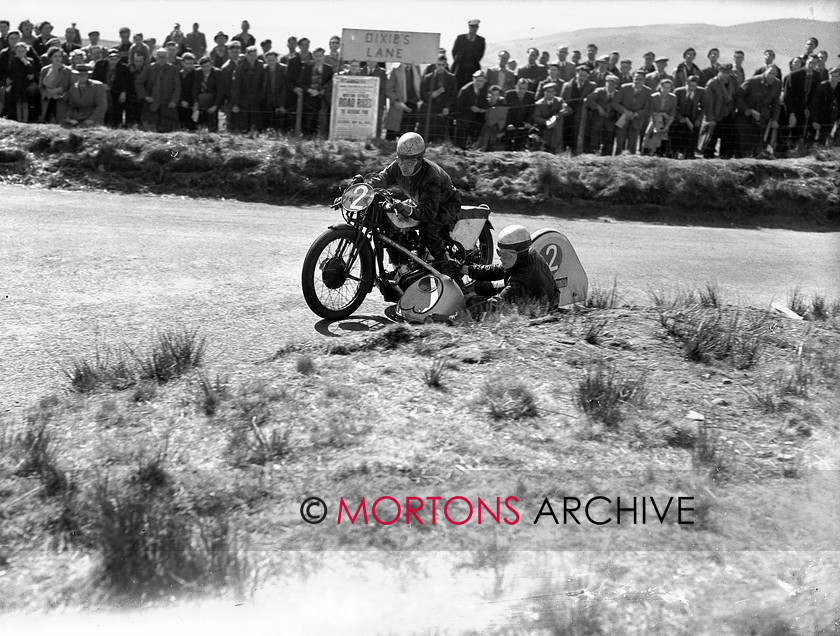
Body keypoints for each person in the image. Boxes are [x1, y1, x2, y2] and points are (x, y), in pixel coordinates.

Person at [367, 132, 463, 278]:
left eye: (410, 162)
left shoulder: (431, 176)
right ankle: (398, 262)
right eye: (401, 160)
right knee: (388, 217)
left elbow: (429, 212)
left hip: (445, 204)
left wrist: (408, 209)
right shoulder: (397, 166)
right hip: (420, 200)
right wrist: (365, 185)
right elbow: (383, 178)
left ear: (420, 159)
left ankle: (447, 268)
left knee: (428, 230)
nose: (404, 166)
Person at [462, 225, 559, 313]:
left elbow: (496, 303)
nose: (501, 258)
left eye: (506, 255)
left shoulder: (524, 279)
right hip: (535, 293)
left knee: (473, 302)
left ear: (520, 253)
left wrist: (458, 316)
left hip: (544, 308)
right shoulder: (526, 256)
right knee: (481, 287)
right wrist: (465, 269)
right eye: (500, 252)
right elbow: (498, 269)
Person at [735, 67, 781, 157]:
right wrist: (745, 109)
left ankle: (754, 160)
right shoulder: (752, 81)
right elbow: (738, 96)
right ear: (765, 72)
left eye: (774, 74)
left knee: (758, 140)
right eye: (770, 73)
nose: (772, 76)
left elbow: (776, 102)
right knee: (744, 139)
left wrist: (775, 119)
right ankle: (741, 159)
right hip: (746, 115)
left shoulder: (776, 83)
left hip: (762, 117)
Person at [136, 47, 181, 132]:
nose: (161, 59)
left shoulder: (174, 69)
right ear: (156, 57)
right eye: (159, 57)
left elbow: (177, 87)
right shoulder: (149, 68)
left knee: (167, 129)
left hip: (167, 103)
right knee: (149, 128)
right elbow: (139, 82)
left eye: (163, 57)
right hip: (152, 103)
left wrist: (174, 100)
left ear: (167, 57)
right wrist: (145, 96)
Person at [420, 55, 456, 143]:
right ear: (435, 65)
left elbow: (453, 95)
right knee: (426, 139)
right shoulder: (427, 78)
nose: (440, 67)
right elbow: (422, 95)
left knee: (440, 140)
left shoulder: (451, 78)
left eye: (442, 65)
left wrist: (447, 107)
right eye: (439, 64)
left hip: (443, 112)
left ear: (446, 65)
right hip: (429, 112)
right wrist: (431, 95)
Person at [614, 70, 652, 154]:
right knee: (620, 142)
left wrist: (636, 114)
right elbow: (615, 103)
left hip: (637, 119)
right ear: (633, 79)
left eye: (640, 79)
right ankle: (617, 158)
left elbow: (647, 108)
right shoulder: (624, 88)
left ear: (644, 80)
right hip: (623, 117)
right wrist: (625, 111)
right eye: (636, 79)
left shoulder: (648, 91)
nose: (637, 81)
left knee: (633, 143)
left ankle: (631, 159)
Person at [559, 65, 595, 152]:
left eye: (584, 76)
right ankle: (566, 151)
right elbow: (561, 99)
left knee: (581, 133)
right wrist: (565, 106)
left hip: (583, 115)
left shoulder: (592, 86)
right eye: (580, 75)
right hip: (568, 113)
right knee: (567, 132)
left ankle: (578, 150)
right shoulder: (567, 85)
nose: (582, 78)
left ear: (588, 76)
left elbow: (593, 100)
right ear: (576, 74)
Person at [384, 61, 423, 139]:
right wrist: (395, 101)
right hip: (398, 105)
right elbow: (388, 89)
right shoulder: (395, 68)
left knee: (409, 134)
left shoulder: (417, 68)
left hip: (412, 104)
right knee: (392, 133)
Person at [92, 48, 131, 127]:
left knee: (117, 112)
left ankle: (116, 126)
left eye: (116, 58)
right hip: (102, 93)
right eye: (111, 58)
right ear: (106, 58)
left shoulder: (124, 68)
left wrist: (124, 92)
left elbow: (127, 82)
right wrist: (101, 85)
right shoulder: (99, 65)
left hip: (117, 93)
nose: (114, 60)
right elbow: (93, 79)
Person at [584, 74, 621, 155]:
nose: (610, 86)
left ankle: (606, 156)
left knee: (609, 138)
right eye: (608, 83)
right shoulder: (599, 91)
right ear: (605, 83)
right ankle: (593, 154)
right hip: (598, 119)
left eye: (613, 84)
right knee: (595, 137)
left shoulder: (618, 94)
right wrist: (598, 107)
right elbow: (589, 99)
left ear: (617, 85)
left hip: (610, 120)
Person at [531, 82, 571, 153]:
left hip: (557, 128)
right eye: (547, 91)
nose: (549, 93)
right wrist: (546, 122)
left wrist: (556, 116)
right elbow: (536, 117)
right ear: (544, 92)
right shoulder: (539, 103)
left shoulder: (559, 101)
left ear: (555, 92)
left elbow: (567, 109)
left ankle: (557, 149)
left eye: (551, 91)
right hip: (544, 128)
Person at [672, 75, 705, 158]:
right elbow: (673, 106)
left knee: (692, 135)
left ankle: (690, 153)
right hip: (681, 116)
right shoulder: (678, 91)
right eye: (689, 86)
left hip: (693, 117)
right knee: (678, 135)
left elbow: (704, 106)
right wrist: (679, 117)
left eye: (694, 86)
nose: (691, 88)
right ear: (686, 83)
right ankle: (676, 152)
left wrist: (698, 119)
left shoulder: (701, 92)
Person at [454, 69, 488, 149]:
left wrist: (483, 108)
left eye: (481, 81)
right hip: (464, 118)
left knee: (474, 137)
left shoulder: (484, 88)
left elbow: (484, 100)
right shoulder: (465, 90)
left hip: (476, 118)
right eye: (477, 80)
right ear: (473, 79)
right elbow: (458, 106)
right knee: (461, 141)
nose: (479, 83)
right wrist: (470, 108)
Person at [39, 45, 73, 123]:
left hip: (60, 101)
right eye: (55, 56)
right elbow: (41, 86)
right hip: (47, 100)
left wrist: (60, 96)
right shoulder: (45, 70)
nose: (57, 58)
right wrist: (47, 94)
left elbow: (70, 88)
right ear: (50, 58)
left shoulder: (67, 71)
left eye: (59, 56)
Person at [643, 78, 677, 155]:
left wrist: (667, 126)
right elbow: (650, 112)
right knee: (648, 133)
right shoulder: (654, 97)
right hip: (654, 118)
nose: (666, 90)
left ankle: (660, 152)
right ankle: (646, 150)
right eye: (664, 87)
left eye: (668, 88)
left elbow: (672, 114)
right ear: (660, 87)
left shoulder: (673, 98)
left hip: (667, 120)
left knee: (664, 133)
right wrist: (661, 114)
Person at [451, 19, 485, 91]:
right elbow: (454, 51)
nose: (474, 28)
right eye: (472, 26)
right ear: (469, 27)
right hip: (460, 69)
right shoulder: (461, 38)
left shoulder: (481, 40)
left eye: (475, 26)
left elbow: (480, 55)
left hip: (473, 69)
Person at [503, 77, 535, 150]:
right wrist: (508, 123)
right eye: (520, 88)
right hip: (511, 123)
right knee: (508, 146)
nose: (522, 90)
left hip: (523, 124)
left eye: (524, 88)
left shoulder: (531, 96)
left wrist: (528, 123)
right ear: (516, 86)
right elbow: (506, 110)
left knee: (519, 146)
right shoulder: (509, 94)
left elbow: (531, 111)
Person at [192, 55, 221, 131]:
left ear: (211, 64)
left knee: (212, 121)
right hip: (201, 101)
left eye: (208, 66)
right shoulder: (198, 72)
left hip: (213, 101)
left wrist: (215, 106)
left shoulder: (217, 73)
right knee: (200, 122)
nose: (206, 69)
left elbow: (220, 91)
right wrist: (195, 102)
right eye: (204, 67)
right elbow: (195, 88)